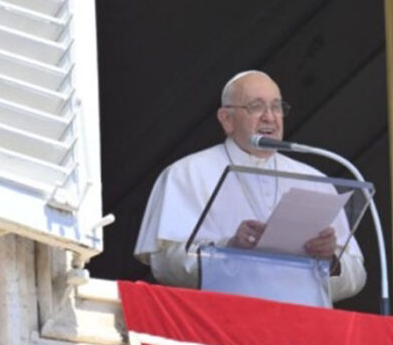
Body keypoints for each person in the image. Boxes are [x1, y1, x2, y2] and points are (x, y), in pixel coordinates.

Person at [134, 70, 366, 302]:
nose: (269, 117)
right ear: (226, 119)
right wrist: (230, 249)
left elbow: (356, 273)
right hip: (221, 323)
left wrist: (331, 261)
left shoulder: (314, 180)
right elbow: (165, 264)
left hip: (301, 326)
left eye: (276, 107)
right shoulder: (187, 173)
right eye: (256, 106)